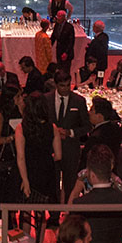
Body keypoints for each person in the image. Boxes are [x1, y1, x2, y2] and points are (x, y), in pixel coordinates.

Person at [51, 70, 89, 204]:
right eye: (62, 86)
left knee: (70, 184)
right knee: (52, 183)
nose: (66, 89)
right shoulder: (46, 99)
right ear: (56, 85)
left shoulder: (79, 101)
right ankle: (54, 213)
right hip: (51, 148)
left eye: (68, 85)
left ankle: (70, 211)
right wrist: (54, 131)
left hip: (71, 148)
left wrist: (70, 132)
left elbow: (87, 126)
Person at [16, 89, 61, 202]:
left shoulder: (21, 128)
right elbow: (58, 155)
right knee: (48, 201)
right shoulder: (53, 127)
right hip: (47, 169)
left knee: (28, 201)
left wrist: (25, 180)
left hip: (29, 168)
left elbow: (21, 157)